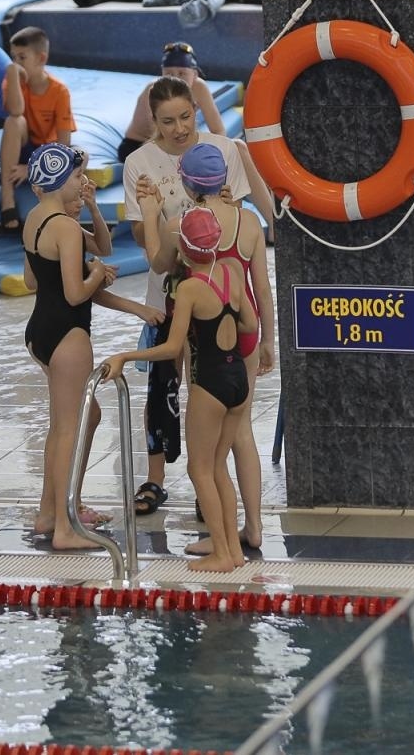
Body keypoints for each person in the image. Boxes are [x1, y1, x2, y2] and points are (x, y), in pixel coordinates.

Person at [102, 206, 257, 574]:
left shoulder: (189, 288)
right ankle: (232, 549)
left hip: (210, 384)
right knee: (219, 467)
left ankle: (221, 553)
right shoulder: (232, 272)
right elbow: (250, 322)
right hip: (238, 380)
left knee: (199, 470)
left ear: (184, 252)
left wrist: (126, 355)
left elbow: (172, 349)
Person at [122, 76, 250, 516]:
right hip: (166, 293)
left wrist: (227, 204)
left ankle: (208, 483)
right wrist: (154, 214)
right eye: (167, 122)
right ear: (152, 122)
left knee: (207, 388)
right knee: (162, 384)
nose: (178, 128)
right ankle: (155, 479)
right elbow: (143, 238)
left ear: (196, 108)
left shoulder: (223, 149)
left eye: (185, 117)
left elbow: (239, 224)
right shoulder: (140, 162)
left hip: (213, 296)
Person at [21, 143, 159, 549]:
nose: (84, 183)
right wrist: (96, 273)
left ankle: (50, 513)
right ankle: (66, 529)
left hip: (41, 331)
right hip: (68, 335)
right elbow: (76, 292)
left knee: (78, 419)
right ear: (59, 179)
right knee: (69, 429)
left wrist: (94, 212)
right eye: (78, 177)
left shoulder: (38, 220)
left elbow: (36, 280)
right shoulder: (63, 227)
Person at [144, 142, 274, 553]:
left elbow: (160, 263)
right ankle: (252, 528)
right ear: (224, 180)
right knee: (243, 432)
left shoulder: (183, 224)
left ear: (186, 182)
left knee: (211, 445)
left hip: (208, 339)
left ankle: (221, 537)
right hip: (247, 326)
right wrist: (269, 339)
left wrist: (152, 216)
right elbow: (263, 288)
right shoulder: (248, 222)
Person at [118, 42, 276, 233]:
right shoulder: (155, 94)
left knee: (238, 147)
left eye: (182, 73)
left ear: (195, 74)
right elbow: (159, 140)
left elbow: (218, 131)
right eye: (169, 73)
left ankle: (275, 224)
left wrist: (212, 157)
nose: (176, 78)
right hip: (141, 143)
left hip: (181, 142)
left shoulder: (199, 89)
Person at [0, 27, 75, 231]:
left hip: (48, 154)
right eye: (13, 57)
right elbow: (15, 111)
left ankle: (50, 201)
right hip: (23, 147)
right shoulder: (12, 82)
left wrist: (32, 168)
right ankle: (7, 198)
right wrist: (13, 75)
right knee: (13, 122)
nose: (16, 64)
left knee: (80, 156)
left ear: (41, 58)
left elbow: (64, 143)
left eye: (22, 58)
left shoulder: (59, 91)